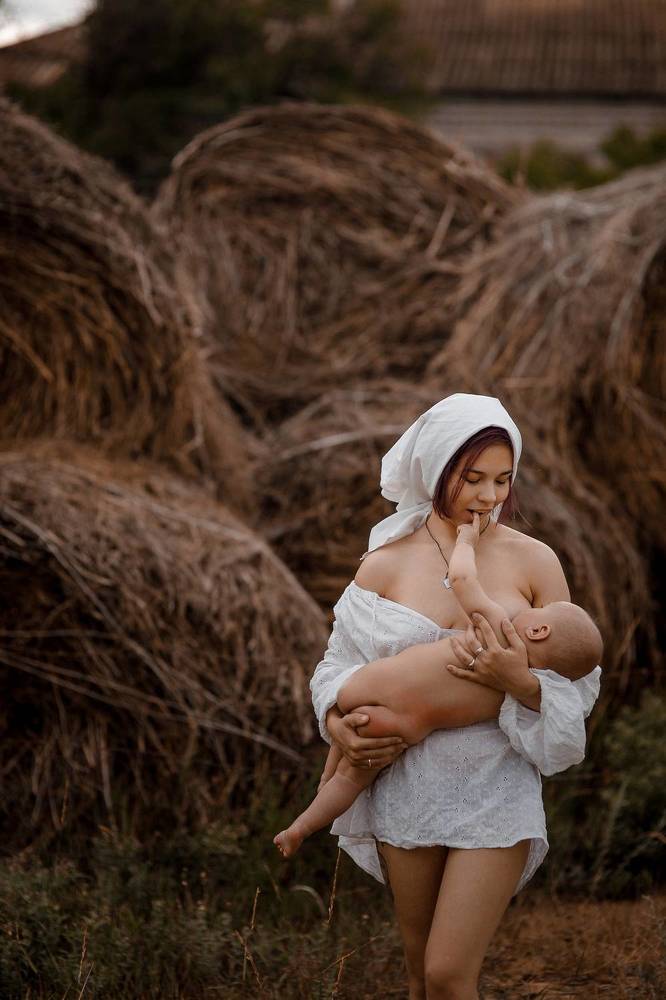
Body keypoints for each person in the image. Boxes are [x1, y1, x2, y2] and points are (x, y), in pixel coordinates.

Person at [307, 393, 602, 1000]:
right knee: (419, 976)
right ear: (436, 469)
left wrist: (517, 680)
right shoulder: (382, 564)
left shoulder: (534, 560)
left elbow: (578, 678)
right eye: (472, 479)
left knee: (449, 973)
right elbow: (335, 667)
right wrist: (336, 719)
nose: (489, 497)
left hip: (497, 785)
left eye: (503, 479)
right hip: (407, 784)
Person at [274, 509, 602, 858]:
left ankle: (312, 806)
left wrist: (465, 543)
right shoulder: (514, 682)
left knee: (343, 756)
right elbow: (556, 710)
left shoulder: (497, 629)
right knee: (351, 779)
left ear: (538, 630)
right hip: (402, 726)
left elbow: (461, 580)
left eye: (538, 612)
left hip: (371, 685)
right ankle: (302, 828)